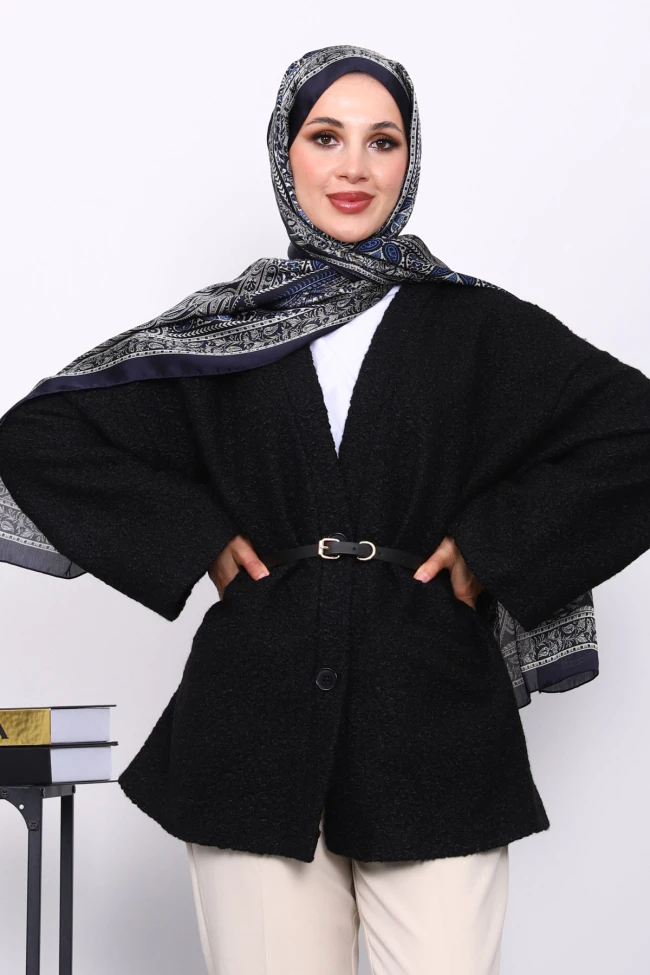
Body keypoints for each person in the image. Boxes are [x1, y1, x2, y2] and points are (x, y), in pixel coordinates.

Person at [1, 43, 650, 975]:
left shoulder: (477, 326)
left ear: (409, 160)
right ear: (286, 153)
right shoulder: (223, 331)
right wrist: (195, 538)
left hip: (434, 726)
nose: (354, 168)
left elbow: (634, 433)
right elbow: (36, 435)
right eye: (326, 136)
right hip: (250, 729)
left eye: (382, 141)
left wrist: (493, 545)